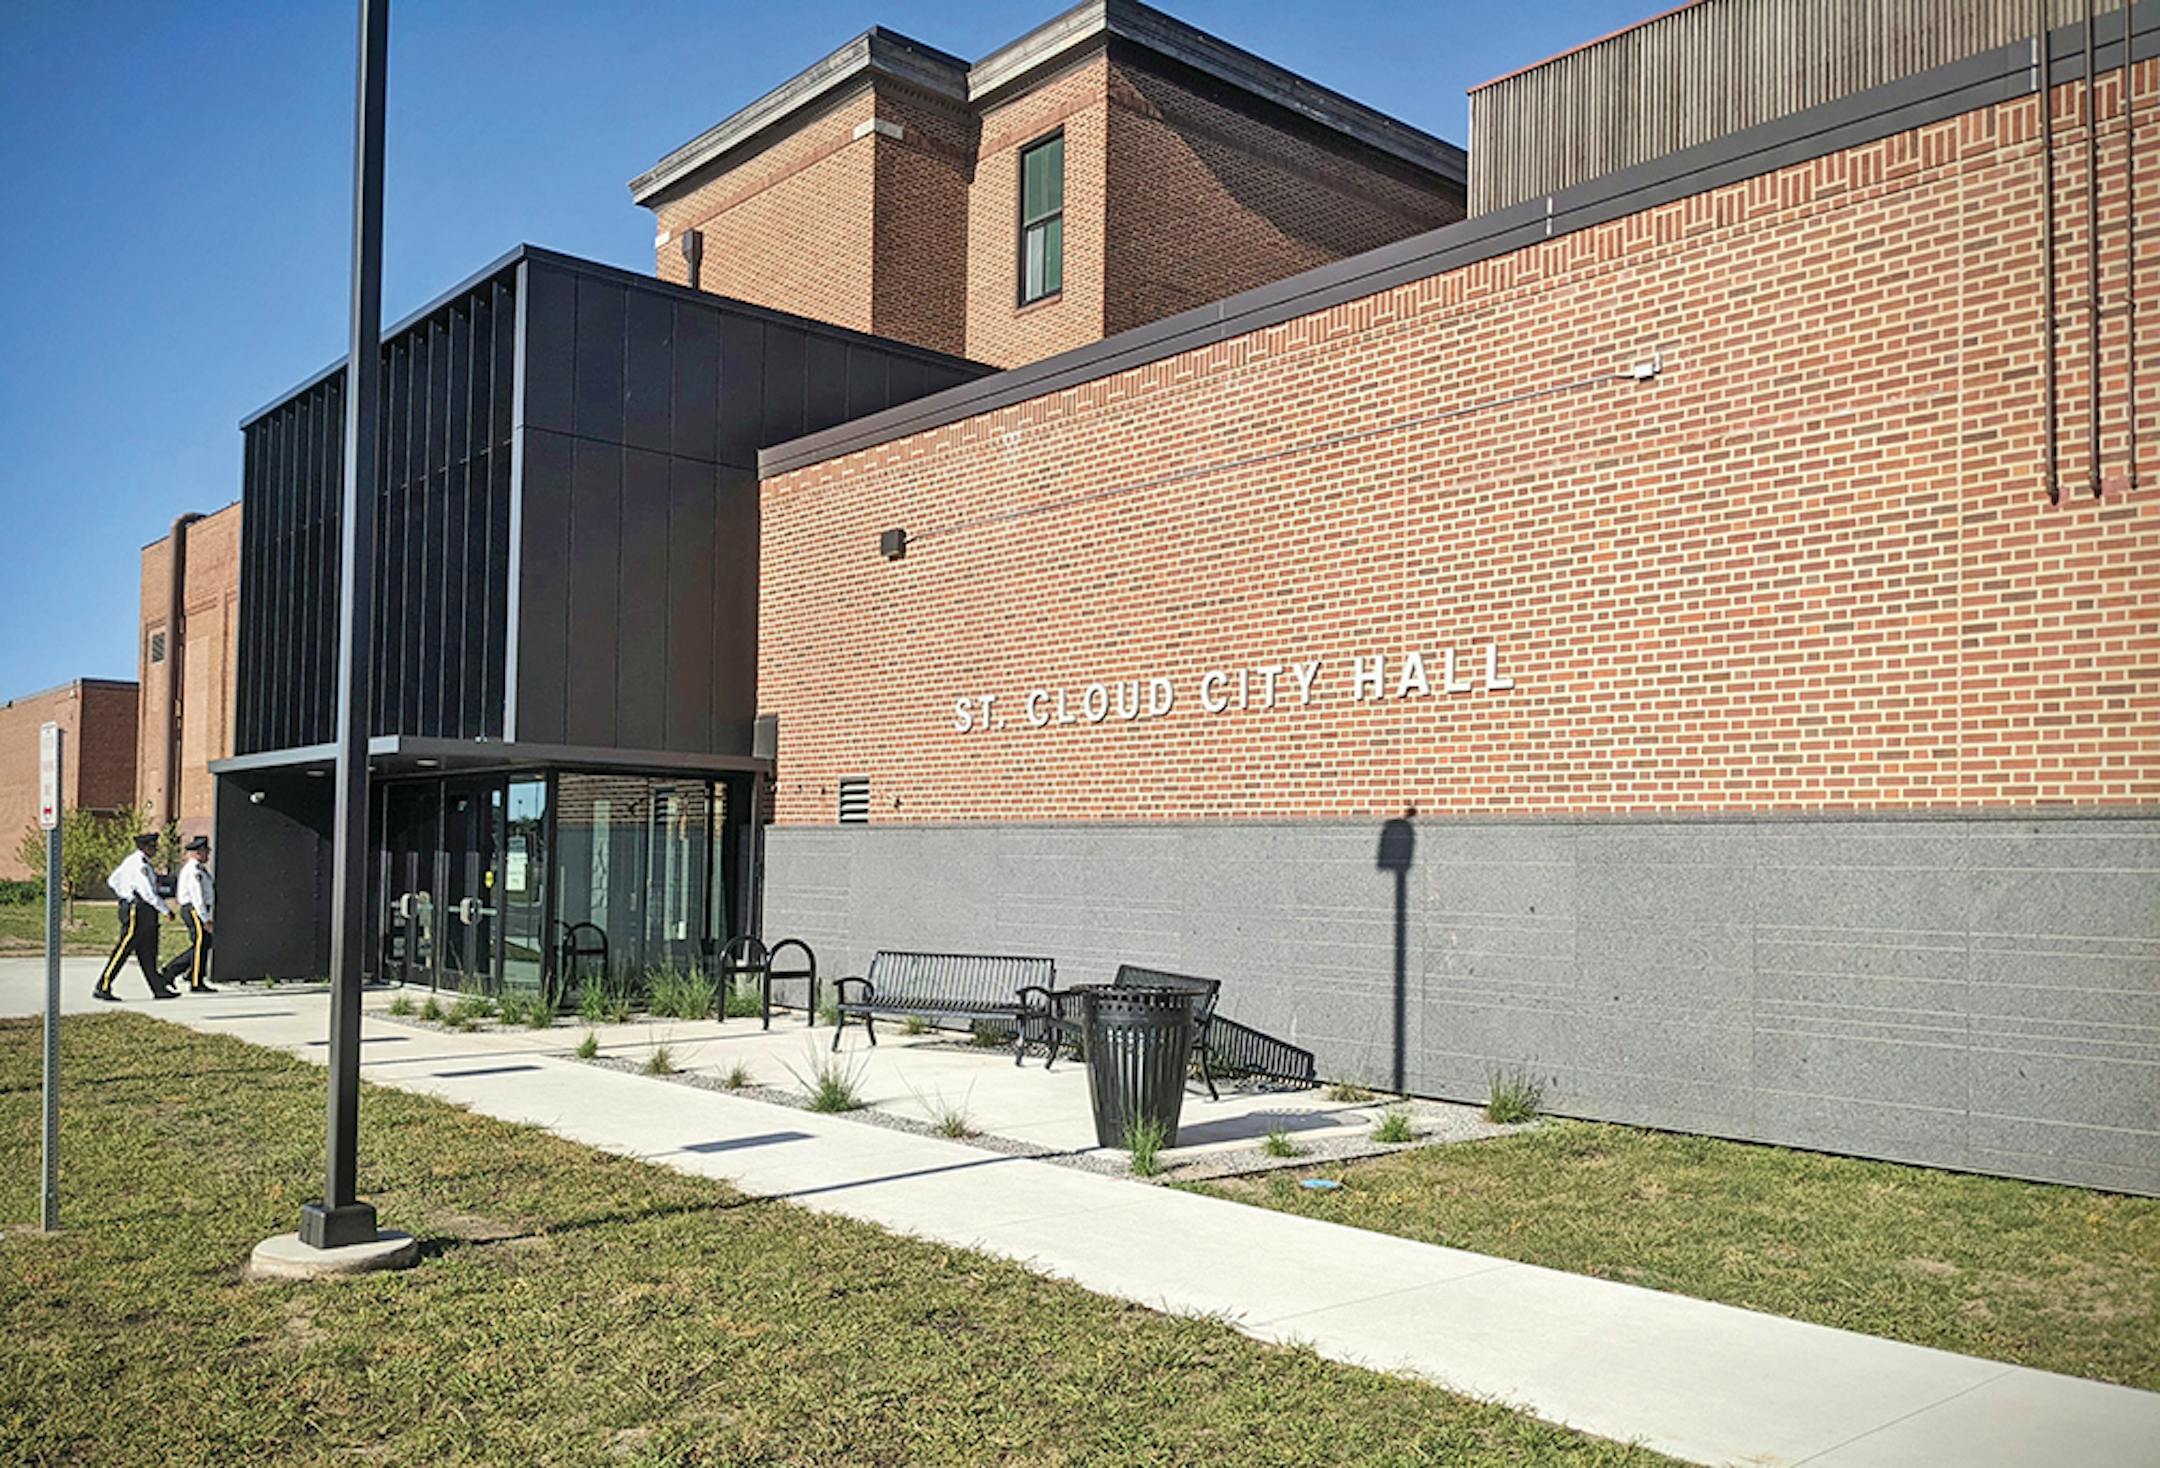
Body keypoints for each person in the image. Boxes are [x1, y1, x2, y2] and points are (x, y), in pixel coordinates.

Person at [94, 833, 175, 1001]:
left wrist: (123, 892)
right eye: (152, 847)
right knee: (124, 947)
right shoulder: (139, 864)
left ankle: (158, 988)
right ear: (144, 847)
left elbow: (113, 880)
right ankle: (103, 985)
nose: (155, 850)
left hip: (143, 909)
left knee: (148, 950)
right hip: (137, 909)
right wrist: (165, 910)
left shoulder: (134, 861)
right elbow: (148, 893)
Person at [159, 834, 216, 994]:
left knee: (204, 943)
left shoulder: (200, 869)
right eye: (205, 851)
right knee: (200, 943)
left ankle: (173, 971)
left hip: (198, 909)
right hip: (194, 909)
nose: (208, 854)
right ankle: (196, 981)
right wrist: (205, 919)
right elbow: (197, 896)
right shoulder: (193, 870)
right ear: (198, 852)